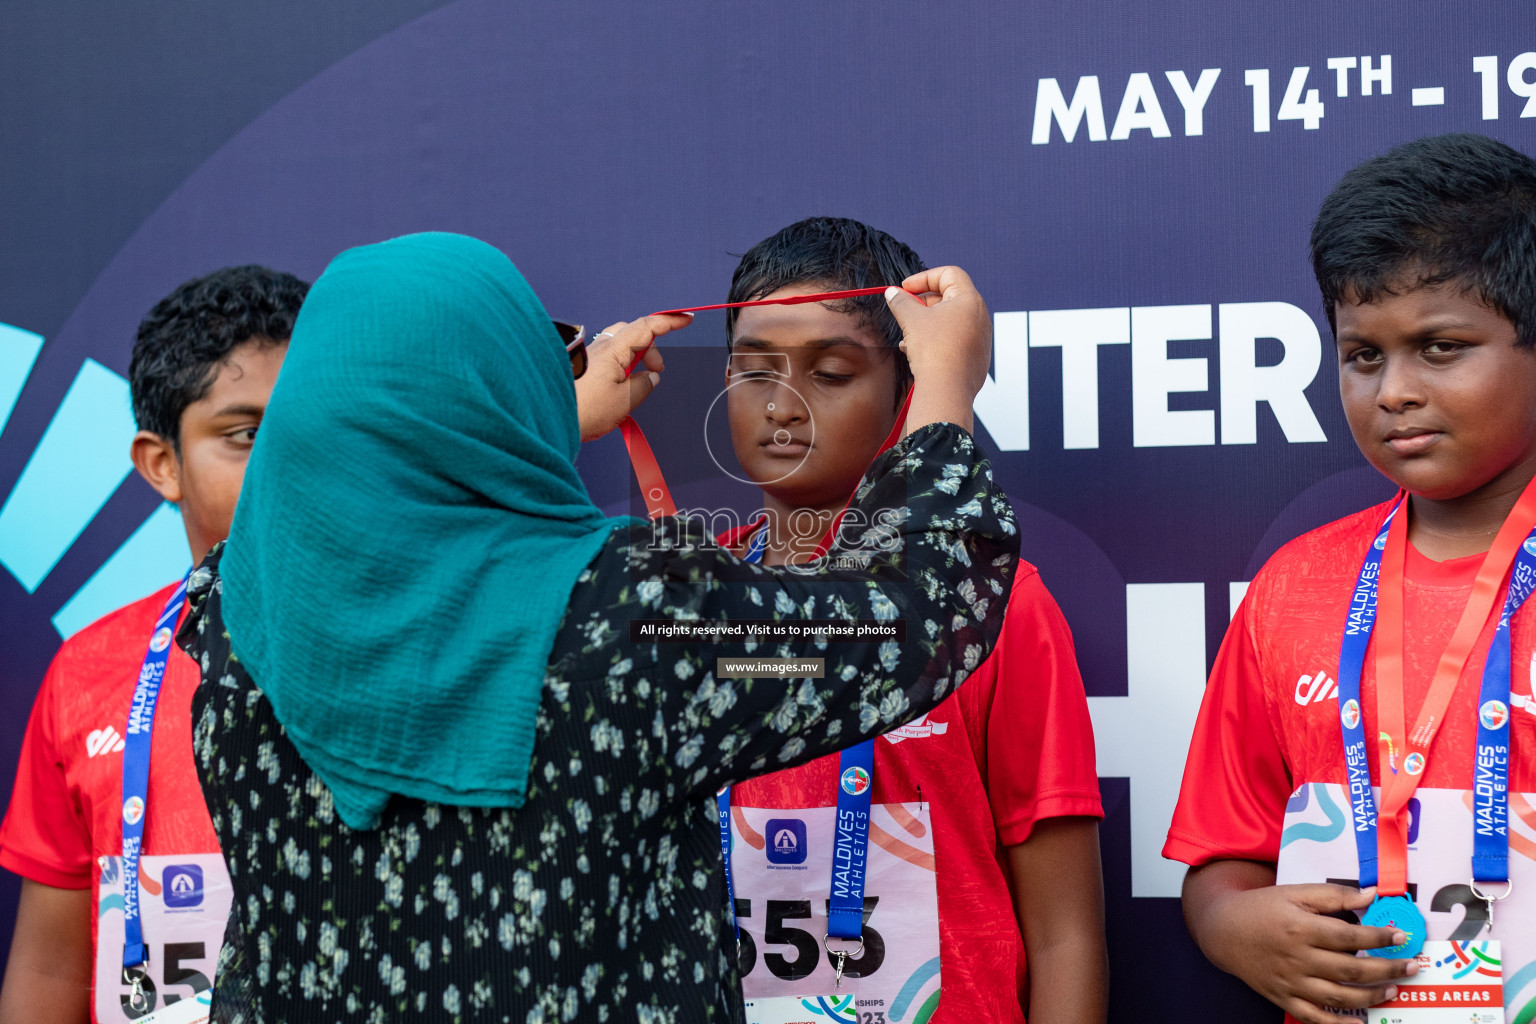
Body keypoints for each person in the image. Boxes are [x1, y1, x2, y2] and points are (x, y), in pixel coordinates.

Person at [178, 231, 1020, 1023]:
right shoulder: (630, 622)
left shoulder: (229, 615)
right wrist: (946, 383)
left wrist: (543, 419)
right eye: (538, 354)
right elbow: (904, 619)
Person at [1166, 133, 1536, 1024]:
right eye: (1363, 355)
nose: (1392, 391)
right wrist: (1231, 925)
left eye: (1441, 347)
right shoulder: (1295, 587)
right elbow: (1225, 857)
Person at [714, 217, 1106, 1023]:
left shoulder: (999, 606)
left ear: (906, 387)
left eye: (829, 372)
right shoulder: (675, 603)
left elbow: (1066, 935)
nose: (783, 406)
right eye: (756, 373)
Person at [0, 266, 308, 1024]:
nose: (285, 466)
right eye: (244, 437)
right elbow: (47, 970)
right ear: (162, 464)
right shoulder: (88, 673)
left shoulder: (423, 640)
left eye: (310, 427)